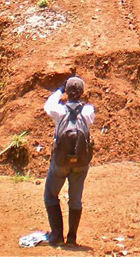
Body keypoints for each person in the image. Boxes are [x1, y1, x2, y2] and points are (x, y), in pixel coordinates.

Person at [43, 76, 94, 247]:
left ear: (68, 93)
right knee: (75, 199)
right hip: (80, 163)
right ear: (81, 93)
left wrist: (59, 90)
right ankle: (72, 237)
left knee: (50, 195)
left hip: (60, 162)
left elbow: (48, 105)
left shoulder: (59, 111)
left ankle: (57, 235)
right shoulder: (88, 111)